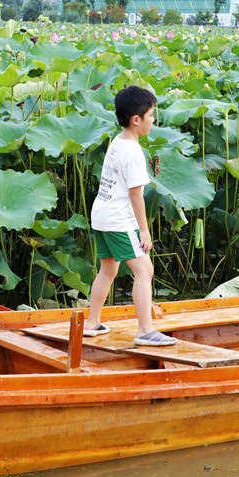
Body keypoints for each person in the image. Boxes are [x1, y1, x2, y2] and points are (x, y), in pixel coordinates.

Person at [83, 85, 177, 347]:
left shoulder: (118, 141)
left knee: (108, 269)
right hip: (118, 219)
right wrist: (144, 231)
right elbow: (137, 195)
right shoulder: (133, 152)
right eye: (151, 116)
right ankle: (145, 330)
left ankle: (92, 323)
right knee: (145, 269)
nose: (154, 121)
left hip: (101, 215)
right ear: (137, 120)